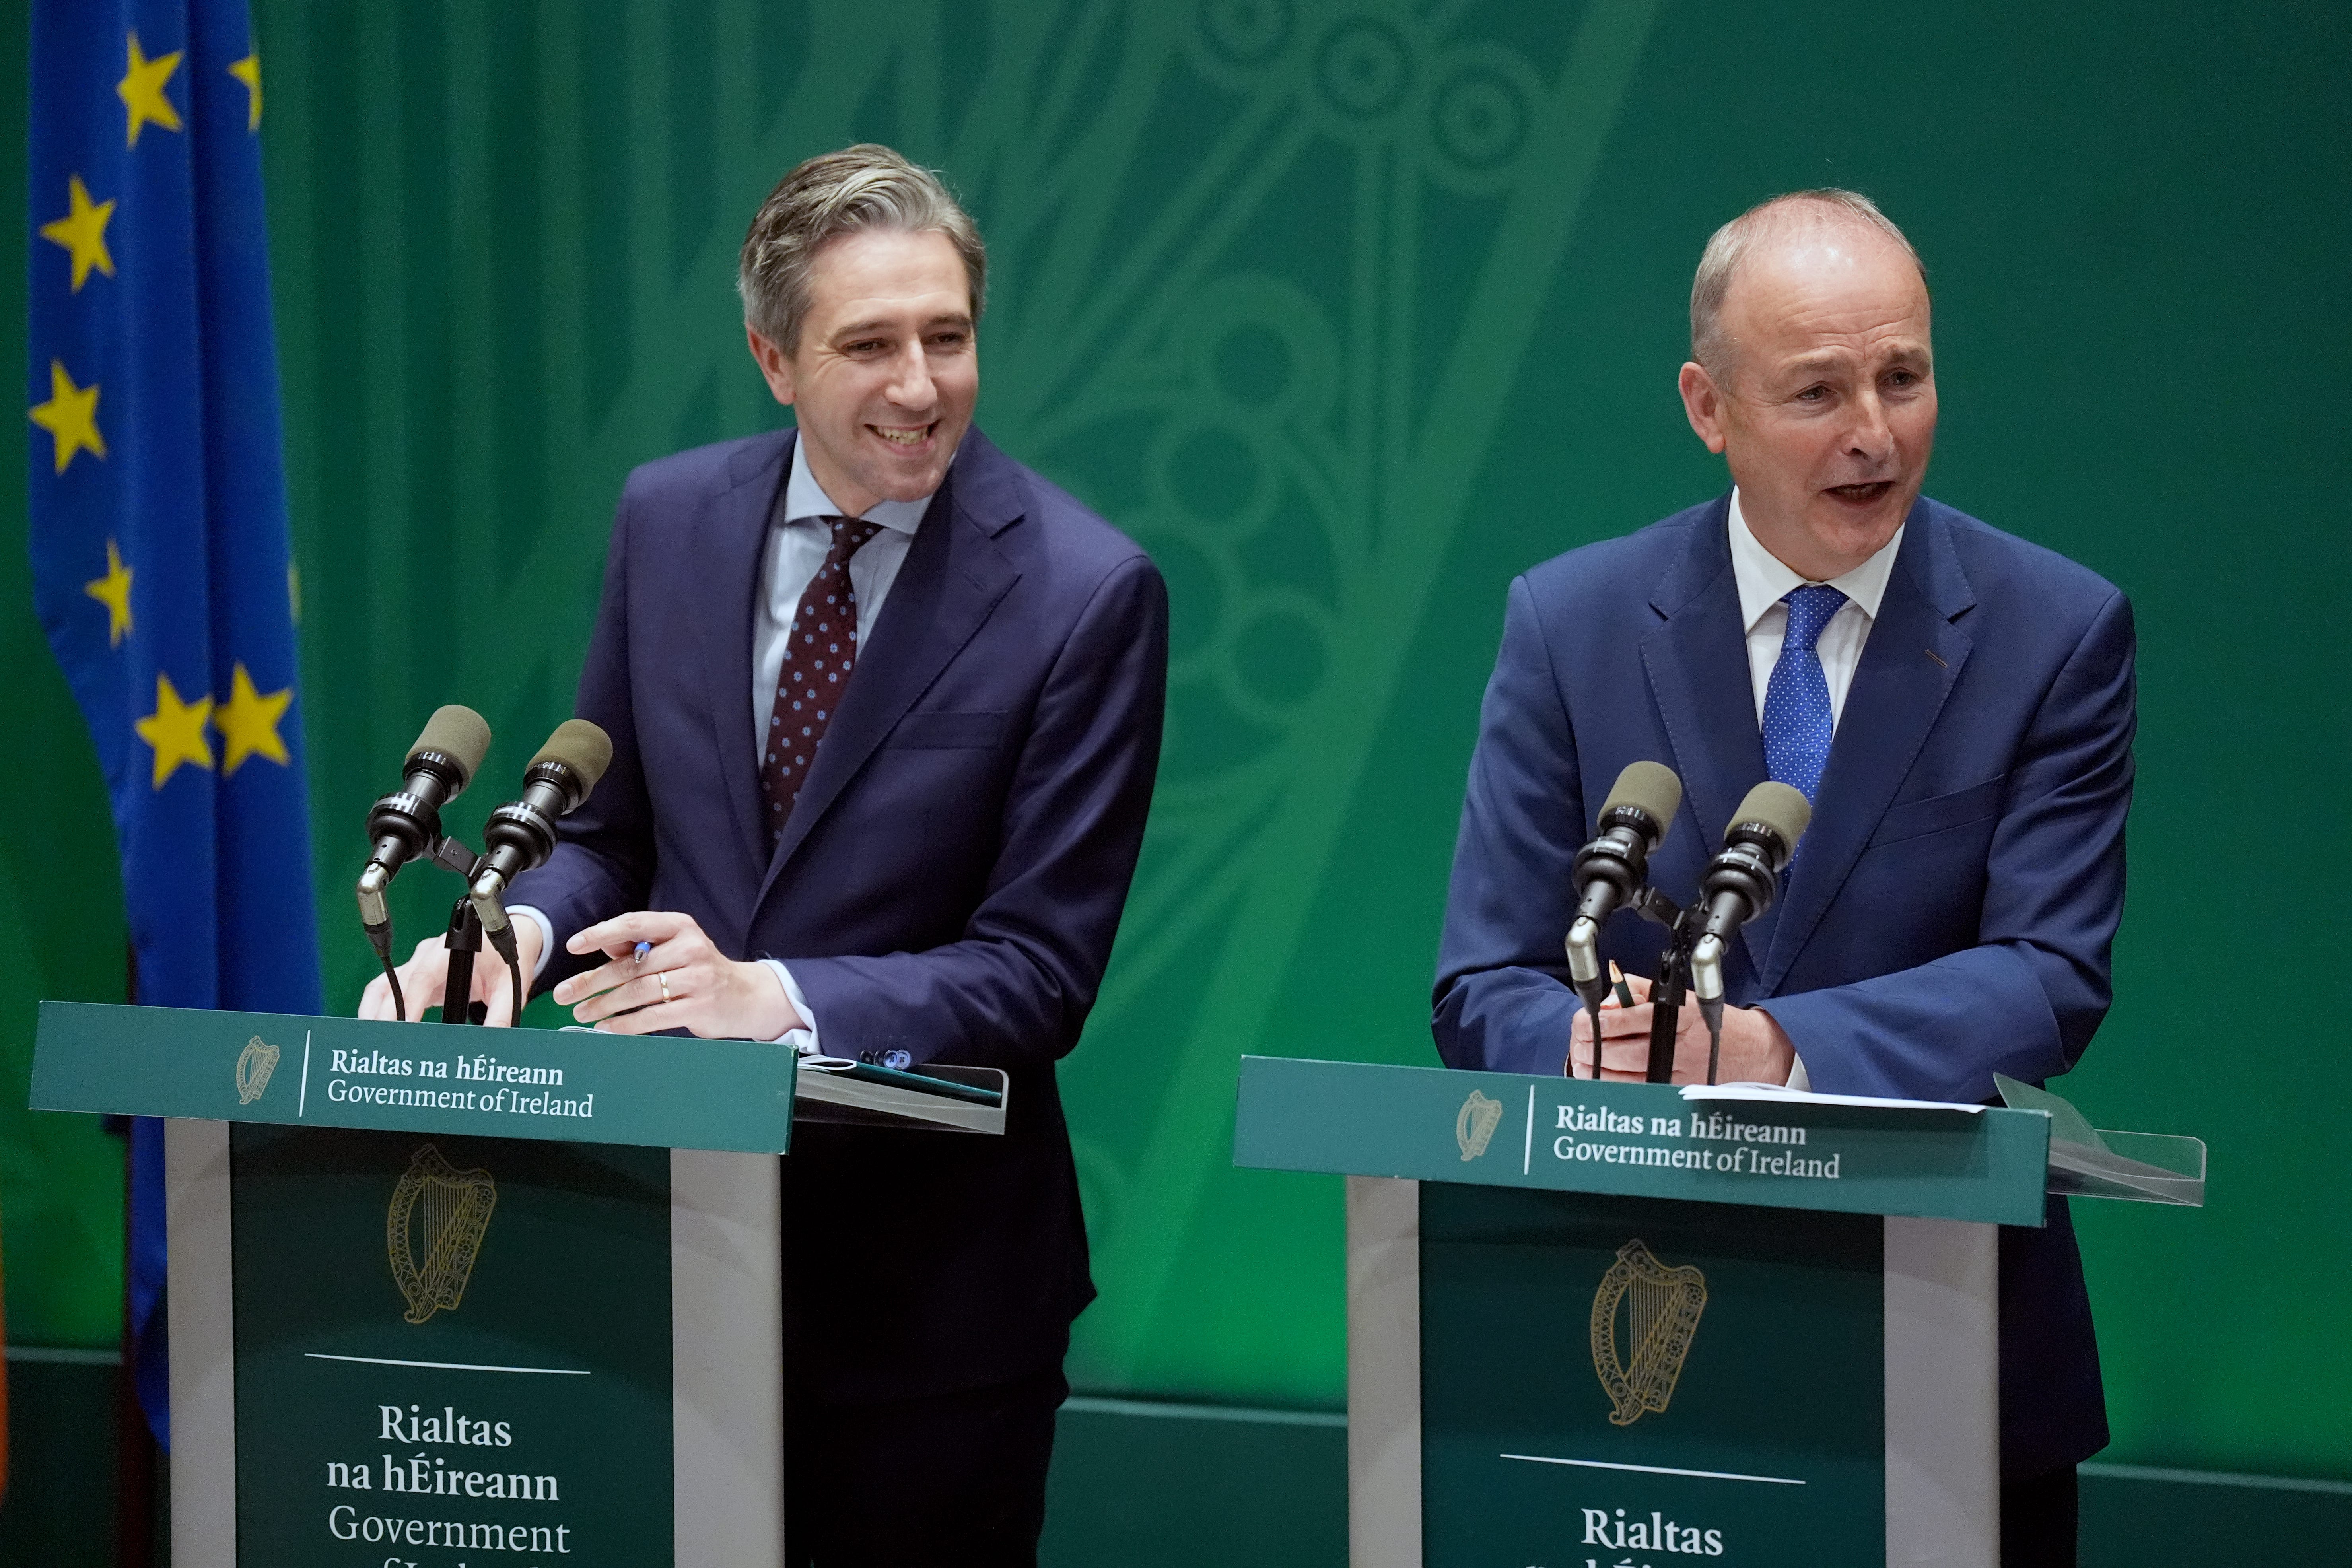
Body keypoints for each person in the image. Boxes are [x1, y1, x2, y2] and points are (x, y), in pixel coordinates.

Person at [363, 143, 1170, 1566]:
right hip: (648, 1259)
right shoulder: (668, 519)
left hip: (924, 1313)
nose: (920, 386)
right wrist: (515, 943)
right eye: (869, 345)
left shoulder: (1085, 593)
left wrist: (774, 997)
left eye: (948, 337)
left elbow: (1038, 973)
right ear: (772, 358)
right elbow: (607, 835)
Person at [1431, 190, 2131, 1566]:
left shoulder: (2056, 630)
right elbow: (1480, 983)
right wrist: (1579, 1045)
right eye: (1816, 390)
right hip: (1633, 1359)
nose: (1873, 432)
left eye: (1903, 376)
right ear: (1708, 406)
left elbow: (2050, 977)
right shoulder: (1569, 623)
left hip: (1953, 1349)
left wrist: (1770, 1050)